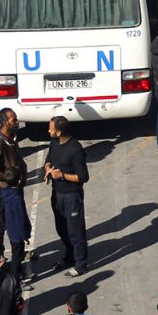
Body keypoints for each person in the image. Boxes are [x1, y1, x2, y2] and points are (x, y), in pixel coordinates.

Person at [0, 109, 31, 286]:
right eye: (13, 119)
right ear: (5, 122)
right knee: (9, 226)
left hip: (15, 187)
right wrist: (8, 176)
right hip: (7, 191)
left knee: (9, 223)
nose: (17, 120)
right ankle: (1, 260)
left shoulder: (11, 136)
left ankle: (9, 260)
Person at [44, 116, 90, 277]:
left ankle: (81, 264)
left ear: (59, 132)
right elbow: (49, 160)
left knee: (75, 231)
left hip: (72, 196)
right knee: (61, 228)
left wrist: (62, 176)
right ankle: (69, 256)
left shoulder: (75, 149)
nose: (48, 130)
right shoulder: (54, 143)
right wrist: (48, 168)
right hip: (57, 194)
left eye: (51, 128)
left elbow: (83, 177)